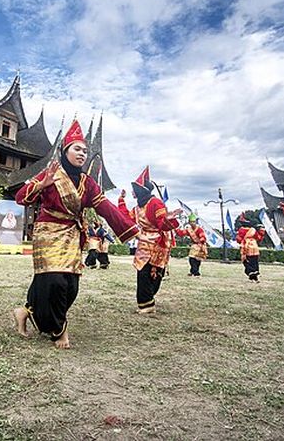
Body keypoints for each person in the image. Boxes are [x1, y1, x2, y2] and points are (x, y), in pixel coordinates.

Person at [12, 119, 139, 349]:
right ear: (64, 150)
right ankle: (59, 330)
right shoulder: (50, 173)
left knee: (70, 285)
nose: (82, 154)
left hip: (72, 236)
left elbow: (105, 207)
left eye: (85, 150)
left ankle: (25, 311)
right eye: (77, 149)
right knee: (54, 281)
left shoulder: (87, 183)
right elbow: (21, 197)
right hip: (49, 233)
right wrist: (41, 185)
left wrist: (130, 228)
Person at [117, 167, 181, 313]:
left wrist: (169, 218)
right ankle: (146, 303)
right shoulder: (138, 208)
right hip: (144, 241)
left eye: (134, 190)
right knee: (143, 271)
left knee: (154, 272)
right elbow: (126, 217)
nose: (132, 192)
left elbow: (162, 223)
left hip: (158, 242)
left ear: (141, 191)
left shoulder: (155, 203)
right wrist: (121, 200)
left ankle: (148, 300)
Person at [235, 214, 266, 282]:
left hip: (246, 246)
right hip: (254, 247)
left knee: (246, 261)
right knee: (255, 261)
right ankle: (256, 273)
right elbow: (259, 238)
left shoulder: (241, 230)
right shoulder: (254, 230)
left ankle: (251, 273)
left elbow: (239, 239)